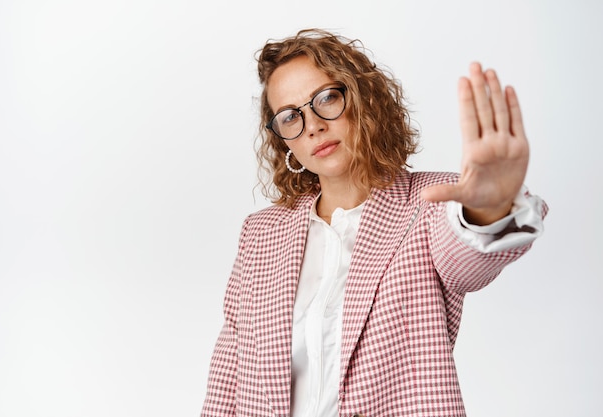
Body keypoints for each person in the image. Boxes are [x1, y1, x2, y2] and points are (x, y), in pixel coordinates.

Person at [200, 28, 547, 417]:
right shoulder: (261, 234)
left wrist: (489, 208)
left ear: (365, 99)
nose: (311, 124)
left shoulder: (431, 203)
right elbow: (228, 375)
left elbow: (468, 262)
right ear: (285, 142)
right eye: (290, 116)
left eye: (326, 98)